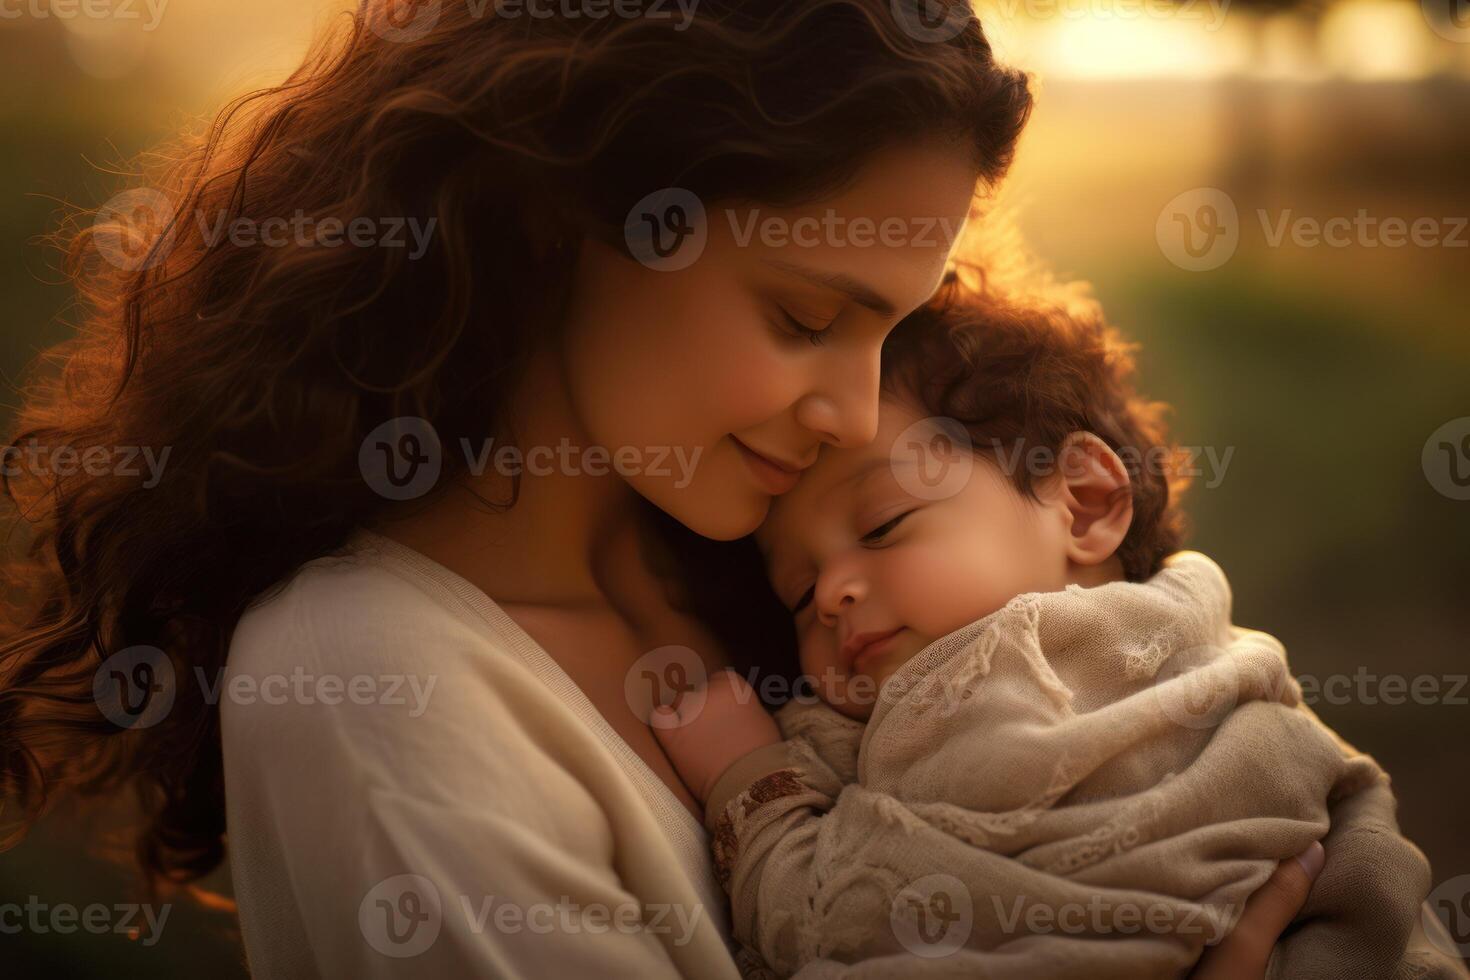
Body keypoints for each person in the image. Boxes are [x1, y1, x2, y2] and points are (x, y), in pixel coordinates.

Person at [0, 2, 1319, 976]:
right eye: (805, 314)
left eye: (890, 331)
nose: (853, 414)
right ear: (561, 217)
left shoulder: (749, 563)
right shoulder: (370, 685)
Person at [653, 279, 1467, 977]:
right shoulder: (1218, 650)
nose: (830, 594)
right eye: (797, 595)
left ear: (1082, 501)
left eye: (882, 525)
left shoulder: (992, 677)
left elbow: (839, 922)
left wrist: (750, 781)